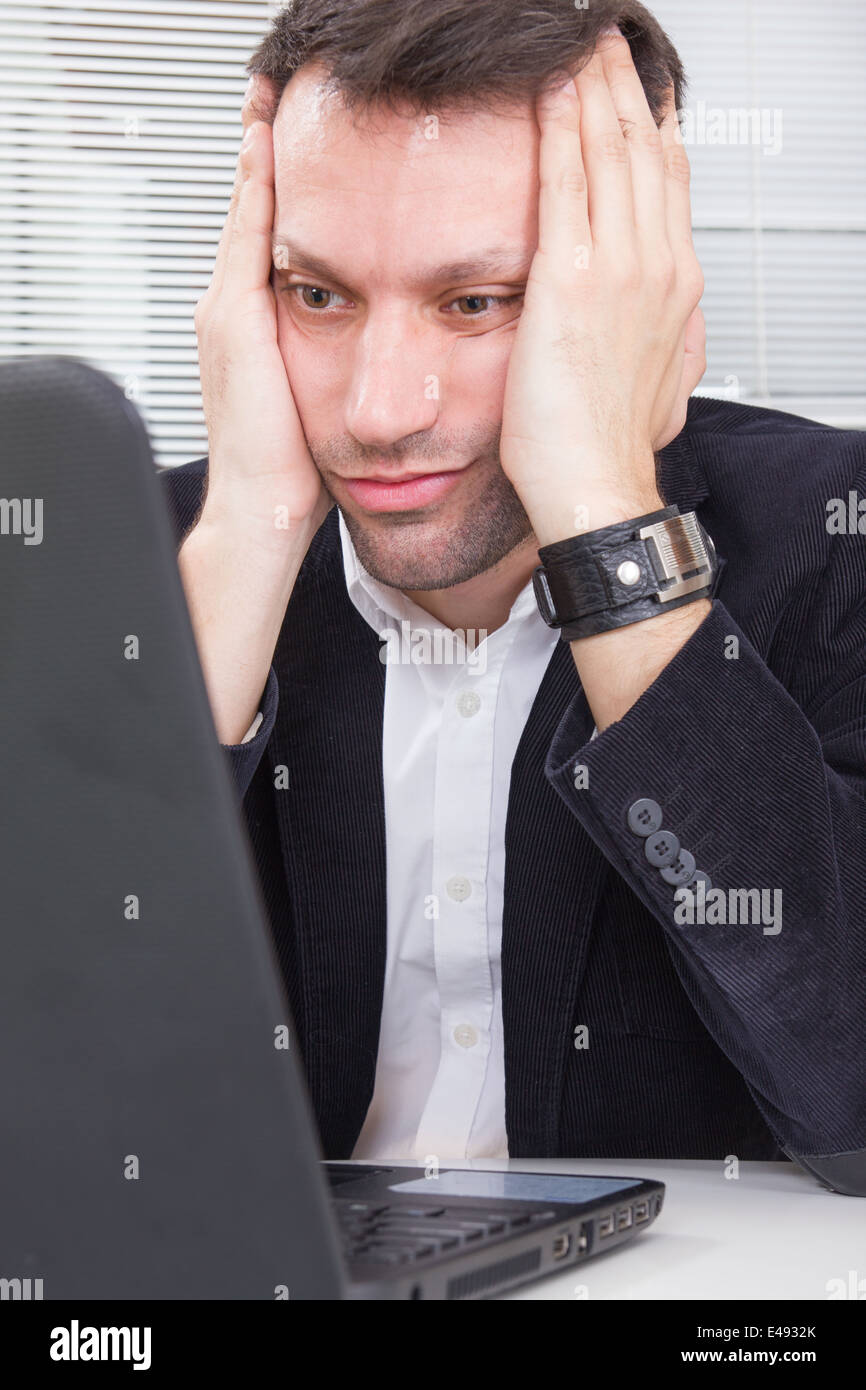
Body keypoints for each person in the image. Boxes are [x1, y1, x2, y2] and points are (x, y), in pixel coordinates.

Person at [160, 0, 866, 1193]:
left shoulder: (833, 534)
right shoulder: (148, 562)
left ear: (637, 281)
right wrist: (244, 543)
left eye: (477, 298)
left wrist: (602, 511)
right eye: (316, 295)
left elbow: (848, 1103)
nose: (380, 412)